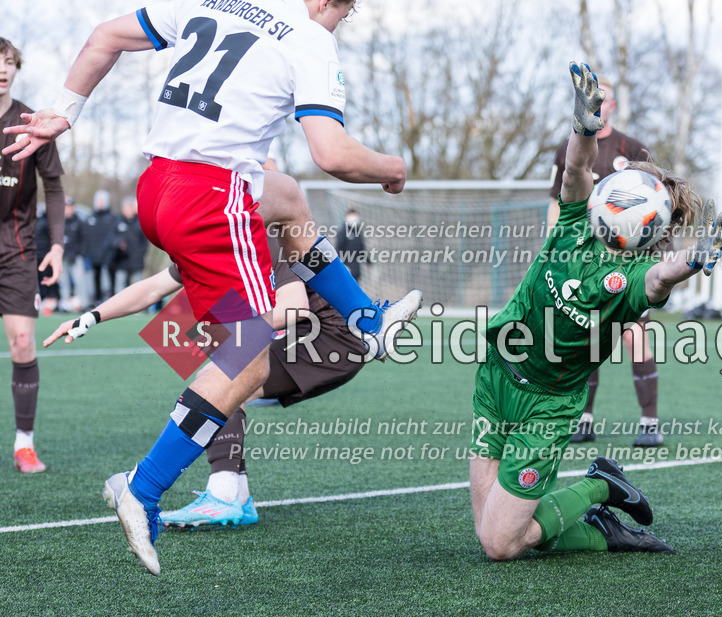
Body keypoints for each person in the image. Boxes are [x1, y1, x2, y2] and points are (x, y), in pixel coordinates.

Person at [4, 0, 421, 575]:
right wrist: (393, 169)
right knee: (246, 362)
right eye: (343, 14)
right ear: (328, 3)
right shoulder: (309, 37)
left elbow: (104, 36)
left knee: (286, 196)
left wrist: (64, 112)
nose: (337, 25)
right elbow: (333, 154)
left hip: (157, 187)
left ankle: (366, 320)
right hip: (210, 199)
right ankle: (143, 489)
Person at [470, 63, 722, 561]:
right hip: (496, 375)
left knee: (499, 545)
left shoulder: (631, 279)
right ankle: (604, 524)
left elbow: (661, 278)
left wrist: (694, 260)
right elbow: (575, 169)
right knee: (490, 530)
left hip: (547, 406)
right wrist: (583, 126)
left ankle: (598, 488)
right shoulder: (574, 220)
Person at [45, 172, 369, 526]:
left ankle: (224, 495)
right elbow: (152, 288)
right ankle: (237, 498)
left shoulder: (261, 235)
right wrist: (91, 316)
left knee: (223, 378)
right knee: (212, 361)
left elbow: (294, 307)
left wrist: (223, 329)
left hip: (331, 338)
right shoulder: (207, 238)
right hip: (306, 333)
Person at [548, 82, 663, 447]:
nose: (598, 104)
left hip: (628, 258)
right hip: (584, 258)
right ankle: (583, 419)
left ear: (612, 105)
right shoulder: (567, 149)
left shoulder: (632, 148)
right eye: (592, 98)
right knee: (587, 337)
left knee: (633, 335)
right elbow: (556, 202)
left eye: (604, 98)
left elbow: (655, 199)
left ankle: (649, 422)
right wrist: (554, 246)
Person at [0, 37, 65, 474]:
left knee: (23, 343)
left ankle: (24, 444)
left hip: (17, 251)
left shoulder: (32, 123)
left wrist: (57, 245)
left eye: (9, 62)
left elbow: (54, 186)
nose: (2, 69)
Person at [81, 190, 118, 306]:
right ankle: (97, 299)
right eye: (98, 200)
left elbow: (114, 236)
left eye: (102, 200)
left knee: (109, 279)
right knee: (95, 278)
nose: (100, 203)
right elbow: (86, 236)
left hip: (108, 256)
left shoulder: (112, 218)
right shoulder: (91, 217)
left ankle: (111, 300)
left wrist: (109, 251)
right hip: (94, 256)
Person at [106, 197, 147, 292]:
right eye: (125, 208)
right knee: (120, 286)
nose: (127, 211)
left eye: (129, 208)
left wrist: (140, 254)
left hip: (136, 262)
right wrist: (118, 244)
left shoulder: (140, 222)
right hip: (121, 261)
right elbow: (111, 238)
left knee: (137, 287)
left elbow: (145, 242)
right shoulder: (118, 222)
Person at [335, 208, 366, 281]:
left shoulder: (358, 231)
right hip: (346, 264)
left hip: (356, 265)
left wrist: (368, 260)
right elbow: (339, 248)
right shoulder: (343, 231)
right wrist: (341, 264)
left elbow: (361, 247)